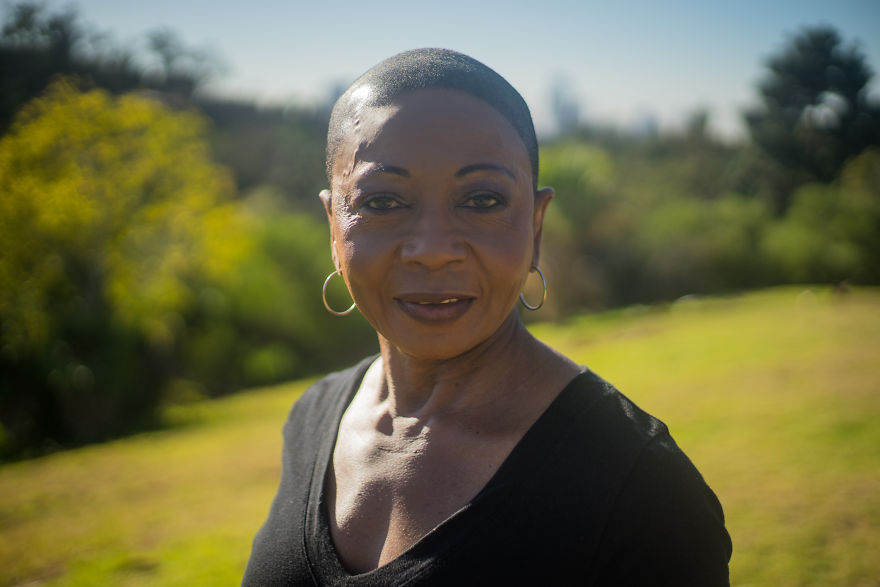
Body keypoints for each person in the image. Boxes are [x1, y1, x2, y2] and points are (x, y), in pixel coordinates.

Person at [243, 48, 731, 586]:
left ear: (536, 227)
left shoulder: (638, 488)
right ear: (334, 227)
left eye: (481, 200)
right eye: (382, 202)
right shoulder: (312, 421)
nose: (432, 250)